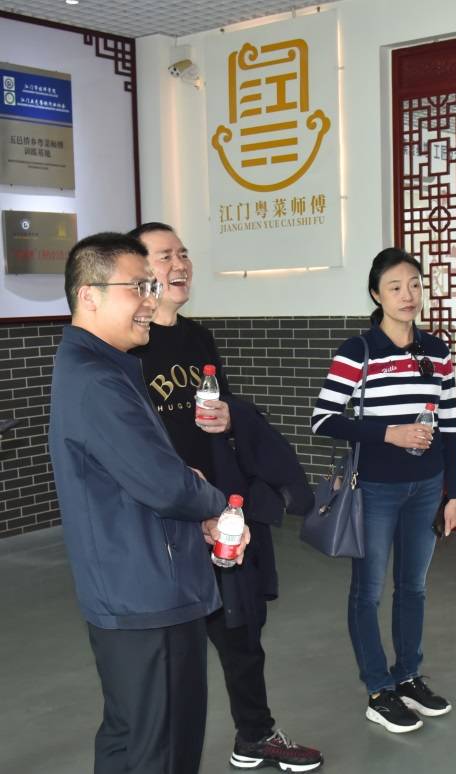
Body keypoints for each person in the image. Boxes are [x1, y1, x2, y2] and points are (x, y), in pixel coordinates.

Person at [49, 232, 249, 774]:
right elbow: (164, 485)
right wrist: (213, 503)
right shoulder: (98, 380)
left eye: (151, 287)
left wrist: (186, 485)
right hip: (148, 593)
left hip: (130, 585)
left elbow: (146, 474)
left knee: (128, 736)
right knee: (163, 747)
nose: (149, 300)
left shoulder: (101, 366)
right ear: (88, 295)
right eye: (137, 287)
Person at [128, 222, 323, 773]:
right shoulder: (130, 346)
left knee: (241, 630)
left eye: (183, 253)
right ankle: (158, 755)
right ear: (138, 271)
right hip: (166, 518)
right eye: (165, 256)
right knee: (169, 650)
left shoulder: (197, 336)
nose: (180, 264)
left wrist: (231, 418)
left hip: (218, 508)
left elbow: (223, 406)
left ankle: (255, 735)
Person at [311, 247, 456, 734]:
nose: (408, 295)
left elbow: (450, 425)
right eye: (395, 287)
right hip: (374, 489)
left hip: (427, 487)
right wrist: (388, 433)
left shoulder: (437, 351)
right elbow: (324, 419)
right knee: (369, 591)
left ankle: (408, 676)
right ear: (376, 295)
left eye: (415, 284)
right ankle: (379, 690)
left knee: (414, 587)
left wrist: (454, 492)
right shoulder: (359, 351)